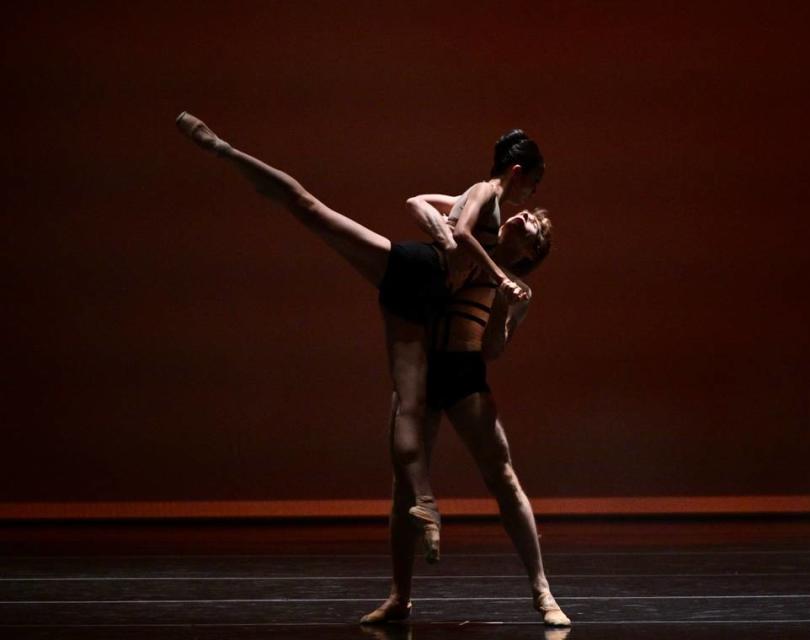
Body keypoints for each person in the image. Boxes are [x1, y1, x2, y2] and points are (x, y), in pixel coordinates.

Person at [174, 113, 543, 566]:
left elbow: (430, 214)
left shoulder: (492, 226)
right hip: (417, 269)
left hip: (418, 298)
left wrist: (485, 272)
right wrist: (449, 239)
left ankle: (425, 504)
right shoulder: (488, 194)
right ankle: (225, 149)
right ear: (518, 174)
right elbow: (445, 222)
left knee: (408, 403)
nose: (529, 207)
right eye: (531, 194)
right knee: (311, 210)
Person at [360, 196, 570, 627]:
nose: (526, 215)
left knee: (503, 477)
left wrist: (502, 306)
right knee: (404, 487)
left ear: (531, 252)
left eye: (535, 226)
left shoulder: (517, 290)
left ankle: (543, 591)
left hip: (463, 374)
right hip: (421, 367)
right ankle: (400, 597)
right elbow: (424, 209)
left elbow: (492, 350)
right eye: (529, 212)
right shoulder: (466, 243)